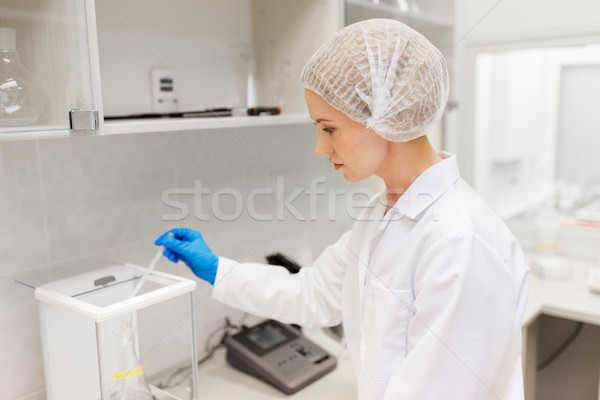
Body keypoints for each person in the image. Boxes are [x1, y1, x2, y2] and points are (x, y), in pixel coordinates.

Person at [155, 19, 529, 400]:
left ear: (384, 117)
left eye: (329, 129)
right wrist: (217, 269)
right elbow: (315, 293)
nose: (320, 147)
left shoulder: (460, 243)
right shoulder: (382, 212)